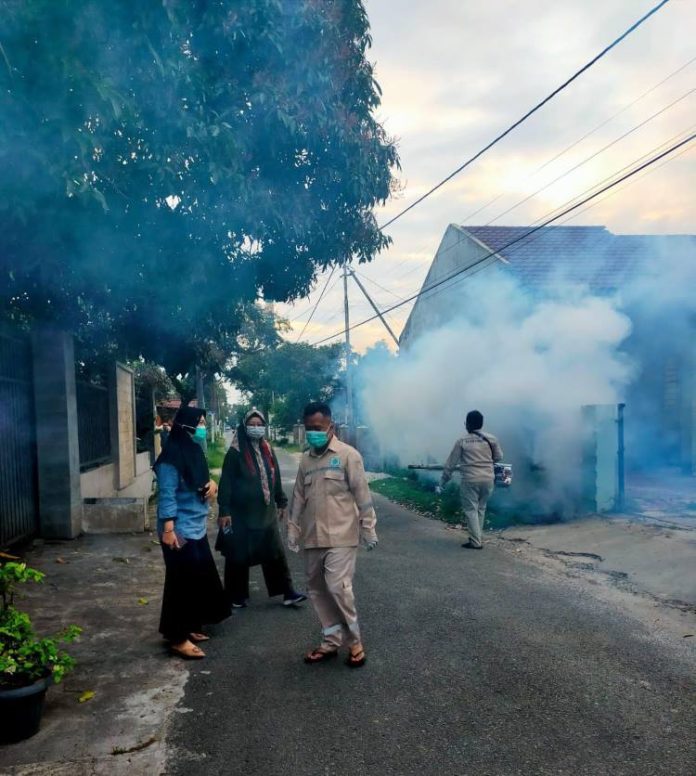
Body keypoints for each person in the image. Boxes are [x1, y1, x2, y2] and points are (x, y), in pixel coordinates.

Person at [288, 401, 378, 668]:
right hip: (313, 537)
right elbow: (298, 497)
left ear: (330, 426)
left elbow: (363, 495)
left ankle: (355, 643)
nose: (313, 432)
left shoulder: (349, 455)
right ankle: (330, 642)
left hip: (342, 536)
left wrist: (368, 527)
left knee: (338, 588)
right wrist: (293, 528)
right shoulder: (306, 459)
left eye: (318, 427)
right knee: (317, 590)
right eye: (309, 428)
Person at [154, 405, 229, 659]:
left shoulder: (195, 451)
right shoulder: (171, 458)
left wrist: (213, 484)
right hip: (178, 529)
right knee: (181, 580)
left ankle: (192, 625)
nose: (202, 428)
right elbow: (167, 495)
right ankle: (177, 637)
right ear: (185, 426)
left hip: (196, 526)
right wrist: (168, 529)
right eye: (199, 423)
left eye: (203, 423)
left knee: (199, 574)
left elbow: (203, 480)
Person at [216, 409, 306, 609]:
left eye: (259, 424)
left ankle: (287, 592)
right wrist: (224, 510)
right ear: (245, 425)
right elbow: (226, 483)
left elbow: (275, 476)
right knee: (238, 554)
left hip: (266, 513)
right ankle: (236, 595)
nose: (256, 428)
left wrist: (281, 501)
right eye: (252, 424)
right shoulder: (235, 452)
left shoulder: (267, 448)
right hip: (241, 514)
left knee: (275, 552)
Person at [438, 410, 503, 550]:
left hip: (470, 480)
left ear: (467, 424)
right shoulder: (492, 439)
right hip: (488, 479)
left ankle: (476, 542)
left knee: (471, 510)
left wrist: (442, 482)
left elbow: (451, 464)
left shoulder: (462, 441)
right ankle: (477, 538)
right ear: (481, 424)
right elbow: (498, 457)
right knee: (481, 508)